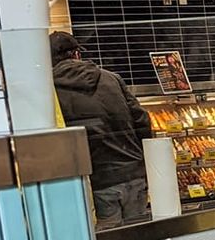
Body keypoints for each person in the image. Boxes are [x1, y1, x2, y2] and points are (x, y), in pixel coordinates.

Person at [50, 32, 154, 225]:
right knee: (143, 239)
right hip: (133, 173)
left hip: (97, 181)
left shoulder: (49, 90)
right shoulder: (111, 79)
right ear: (76, 54)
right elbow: (142, 121)